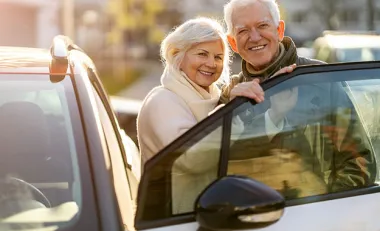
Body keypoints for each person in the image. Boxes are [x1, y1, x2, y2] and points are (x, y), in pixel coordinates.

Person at [220, 0, 376, 194]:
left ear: (279, 30)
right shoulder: (232, 93)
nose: (254, 37)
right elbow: (222, 169)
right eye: (243, 31)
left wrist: (321, 209)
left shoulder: (319, 79)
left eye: (262, 25)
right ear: (233, 42)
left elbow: (359, 162)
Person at [137, 17, 264, 166]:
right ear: (176, 54)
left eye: (218, 57)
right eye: (202, 54)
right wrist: (228, 112)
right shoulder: (161, 101)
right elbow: (190, 159)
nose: (211, 64)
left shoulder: (217, 98)